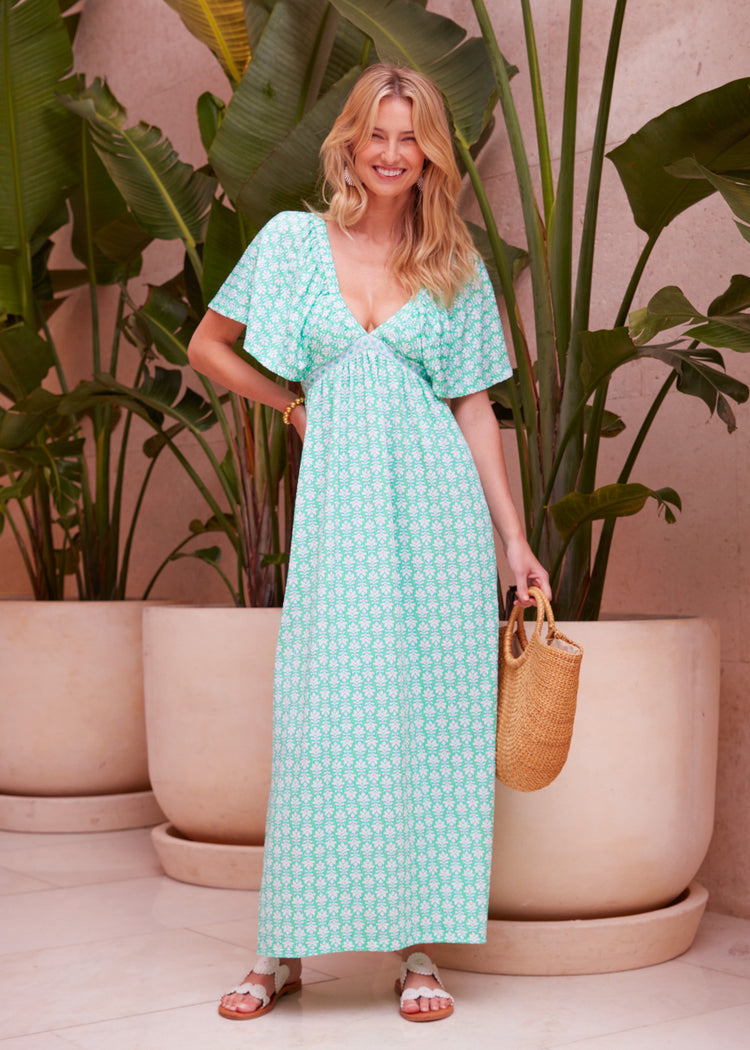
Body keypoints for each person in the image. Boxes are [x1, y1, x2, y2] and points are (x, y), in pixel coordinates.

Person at [187, 63, 550, 1024]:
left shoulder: (454, 264)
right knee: (322, 719)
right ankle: (281, 950)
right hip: (340, 515)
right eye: (377, 135)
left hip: (437, 518)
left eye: (411, 137)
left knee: (430, 728)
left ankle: (417, 949)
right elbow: (207, 346)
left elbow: (474, 404)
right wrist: (292, 402)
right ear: (350, 140)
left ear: (432, 151)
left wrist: (512, 541)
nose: (392, 154)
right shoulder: (293, 242)